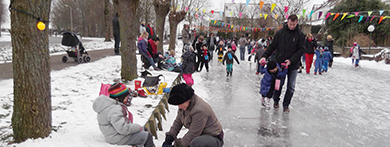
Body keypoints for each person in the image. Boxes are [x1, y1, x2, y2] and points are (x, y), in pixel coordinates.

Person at [259, 14, 305, 113]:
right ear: (287, 22)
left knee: (291, 86)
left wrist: (291, 60)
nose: (292, 26)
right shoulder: (280, 33)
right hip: (280, 64)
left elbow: (301, 50)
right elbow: (272, 46)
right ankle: (276, 100)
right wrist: (264, 56)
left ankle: (286, 105)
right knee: (278, 85)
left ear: (296, 23)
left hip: (293, 65)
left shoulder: (300, 35)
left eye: (294, 24)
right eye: (290, 24)